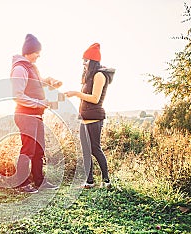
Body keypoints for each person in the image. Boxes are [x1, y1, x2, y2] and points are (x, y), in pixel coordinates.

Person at [11, 34, 61, 193]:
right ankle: (21, 184)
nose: (39, 55)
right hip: (26, 116)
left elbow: (35, 84)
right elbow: (17, 96)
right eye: (37, 52)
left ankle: (39, 181)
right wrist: (41, 103)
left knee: (39, 149)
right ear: (29, 51)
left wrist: (49, 81)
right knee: (28, 149)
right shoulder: (20, 68)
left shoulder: (32, 67)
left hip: (37, 116)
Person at [65, 43, 115, 189]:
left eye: (86, 60)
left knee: (95, 149)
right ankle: (89, 182)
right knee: (85, 150)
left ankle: (106, 181)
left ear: (93, 61)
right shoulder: (89, 76)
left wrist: (75, 93)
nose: (83, 63)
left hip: (95, 118)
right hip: (84, 118)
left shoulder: (99, 75)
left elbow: (94, 98)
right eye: (83, 60)